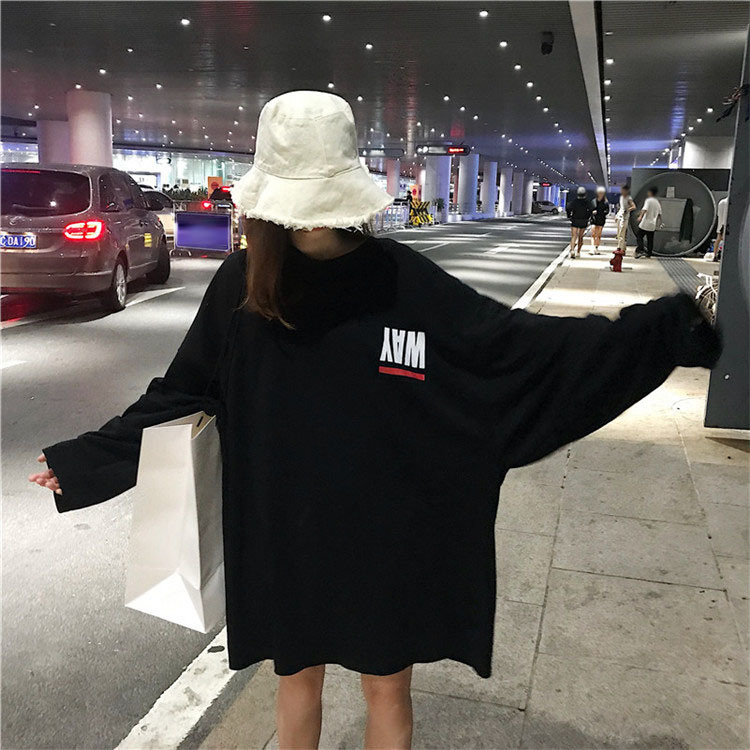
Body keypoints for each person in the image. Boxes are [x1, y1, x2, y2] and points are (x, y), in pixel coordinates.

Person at [30, 91, 721, 750]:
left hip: (384, 534)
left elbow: (516, 352)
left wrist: (661, 332)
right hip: (289, 529)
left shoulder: (402, 281)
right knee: (297, 679)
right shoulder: (244, 285)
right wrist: (88, 459)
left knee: (384, 687)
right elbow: (185, 392)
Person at [636, 185, 662, 259]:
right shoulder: (657, 202)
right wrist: (660, 223)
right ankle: (649, 253)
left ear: (650, 192)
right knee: (650, 239)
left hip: (645, 223)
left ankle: (640, 249)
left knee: (639, 236)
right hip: (652, 224)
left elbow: (645, 209)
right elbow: (660, 214)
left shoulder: (648, 200)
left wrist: (640, 216)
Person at [567, 186, 591, 258]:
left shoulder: (574, 201)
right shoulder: (587, 202)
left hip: (575, 219)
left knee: (574, 236)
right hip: (583, 220)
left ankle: (572, 250)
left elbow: (568, 208)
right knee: (580, 236)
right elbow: (591, 210)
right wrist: (587, 217)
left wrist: (569, 216)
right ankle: (578, 252)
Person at [616, 184, 636, 256]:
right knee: (619, 233)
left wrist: (627, 210)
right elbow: (621, 207)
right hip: (620, 216)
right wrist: (617, 215)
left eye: (623, 190)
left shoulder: (628, 198)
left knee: (622, 233)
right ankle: (622, 248)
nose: (621, 191)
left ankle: (620, 248)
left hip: (625, 217)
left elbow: (634, 206)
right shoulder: (621, 197)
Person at [589, 186, 609, 255]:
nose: (600, 194)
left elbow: (607, 211)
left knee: (598, 234)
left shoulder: (605, 202)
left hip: (601, 219)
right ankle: (592, 248)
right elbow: (590, 209)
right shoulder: (593, 201)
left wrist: (601, 212)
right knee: (593, 234)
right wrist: (592, 212)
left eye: (601, 193)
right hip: (594, 219)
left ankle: (596, 247)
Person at [714, 196, 728, 262]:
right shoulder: (728, 202)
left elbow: (718, 214)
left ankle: (715, 255)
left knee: (718, 239)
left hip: (720, 223)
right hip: (725, 224)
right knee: (725, 240)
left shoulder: (721, 202)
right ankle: (723, 256)